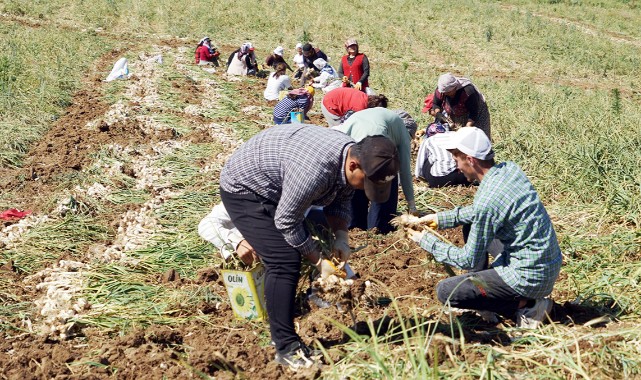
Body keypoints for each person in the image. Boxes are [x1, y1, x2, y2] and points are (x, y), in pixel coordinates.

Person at [219, 124, 400, 369]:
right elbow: (286, 221)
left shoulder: (349, 157)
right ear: (354, 165)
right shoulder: (314, 171)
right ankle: (285, 347)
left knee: (291, 252)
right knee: (283, 261)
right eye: (364, 183)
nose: (362, 188)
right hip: (246, 189)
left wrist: (341, 236)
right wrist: (318, 262)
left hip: (277, 185)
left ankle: (283, 338)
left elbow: (341, 198)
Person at [409, 127, 562, 329]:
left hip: (529, 277)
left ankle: (527, 306)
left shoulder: (488, 200)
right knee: (471, 225)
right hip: (545, 263)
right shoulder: (509, 170)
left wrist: (427, 242)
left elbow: (467, 258)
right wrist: (439, 218)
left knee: (446, 291)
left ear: (470, 159)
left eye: (457, 160)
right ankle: (485, 294)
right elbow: (478, 214)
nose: (457, 168)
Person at [334, 108, 416, 233]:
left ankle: (355, 226)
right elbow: (404, 169)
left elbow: (341, 143)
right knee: (387, 176)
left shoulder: (357, 117)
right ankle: (379, 228)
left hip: (355, 154)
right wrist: (412, 205)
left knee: (356, 181)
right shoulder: (402, 132)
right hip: (373, 149)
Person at [429, 73, 491, 138]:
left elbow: (473, 112)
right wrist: (439, 114)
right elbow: (436, 104)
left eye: (449, 92)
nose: (446, 94)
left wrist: (468, 127)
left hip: (476, 112)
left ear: (455, 87)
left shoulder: (468, 92)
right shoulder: (441, 91)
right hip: (456, 111)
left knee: (477, 136)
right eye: (445, 93)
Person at [415, 122, 472, 187]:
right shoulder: (454, 134)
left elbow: (421, 160)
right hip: (462, 175)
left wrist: (418, 175)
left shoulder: (429, 140)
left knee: (427, 160)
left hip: (439, 180)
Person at [320, 87, 388, 127]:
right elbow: (348, 124)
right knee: (338, 131)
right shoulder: (359, 108)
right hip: (330, 104)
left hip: (333, 96)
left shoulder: (365, 97)